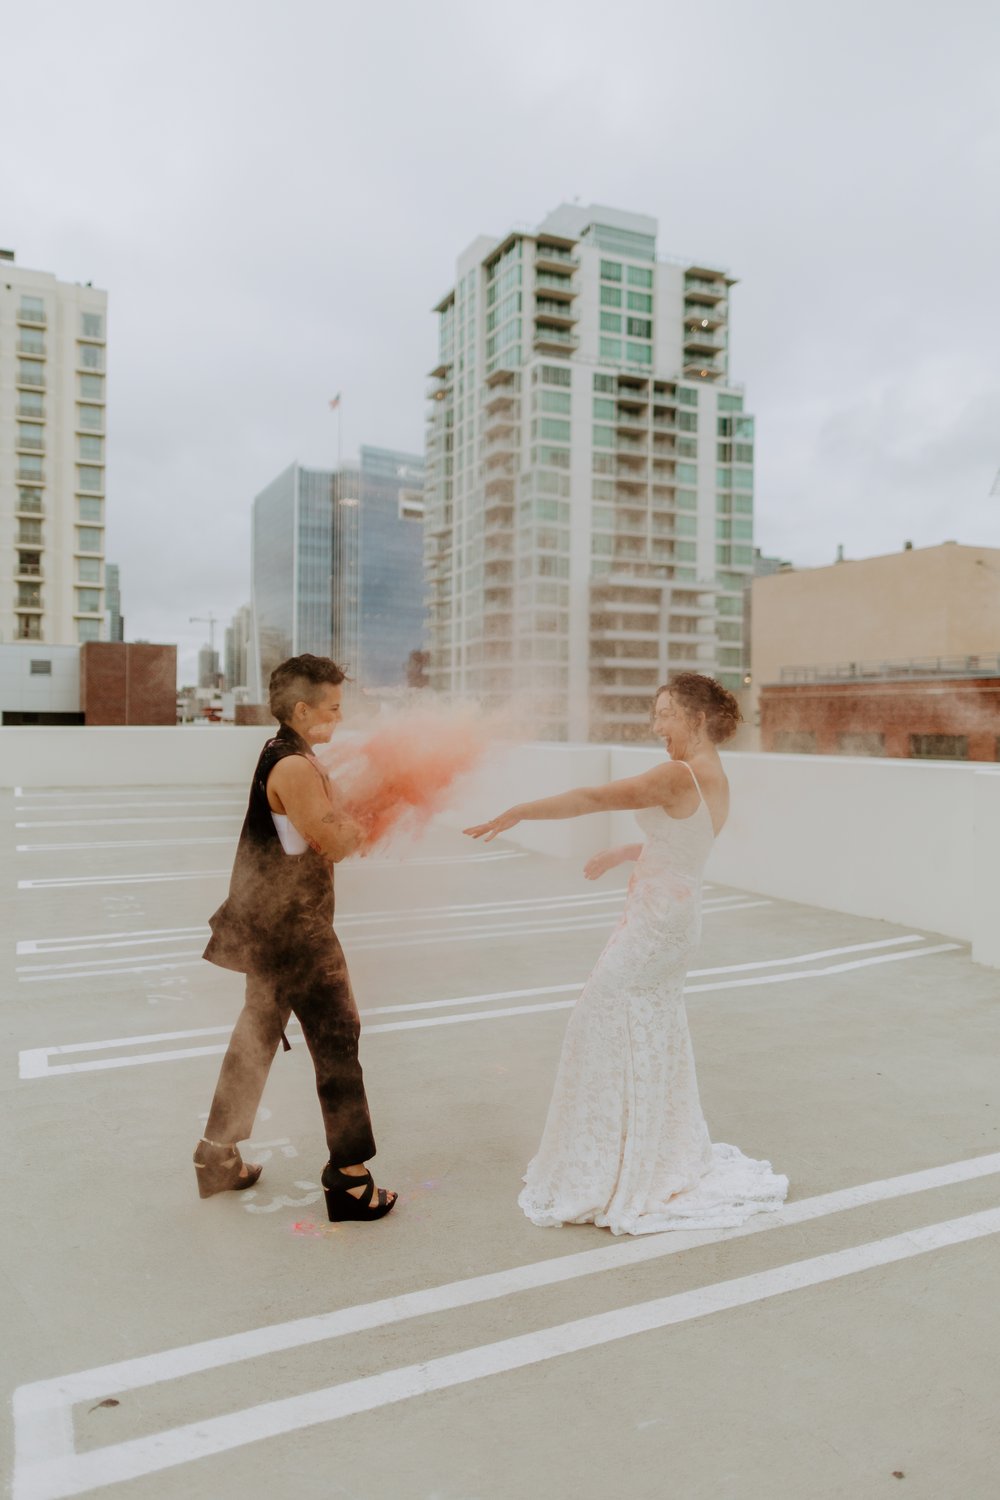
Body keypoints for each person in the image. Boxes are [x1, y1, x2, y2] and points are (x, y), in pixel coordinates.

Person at [464, 672, 787, 1235]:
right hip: (675, 920)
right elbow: (689, 841)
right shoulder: (713, 774)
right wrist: (626, 850)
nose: (656, 725)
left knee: (601, 1019)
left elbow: (592, 797)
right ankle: (646, 1150)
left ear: (698, 718)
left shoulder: (675, 774)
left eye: (666, 713)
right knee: (647, 1026)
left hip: (656, 926)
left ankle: (618, 1166)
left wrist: (520, 810)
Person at [194, 654, 397, 1223]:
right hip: (297, 932)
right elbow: (334, 842)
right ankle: (350, 1180)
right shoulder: (297, 768)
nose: (339, 716)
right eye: (332, 707)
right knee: (338, 1042)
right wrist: (376, 809)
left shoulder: (276, 751)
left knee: (255, 1039)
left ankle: (217, 1155)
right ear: (303, 709)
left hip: (269, 926)